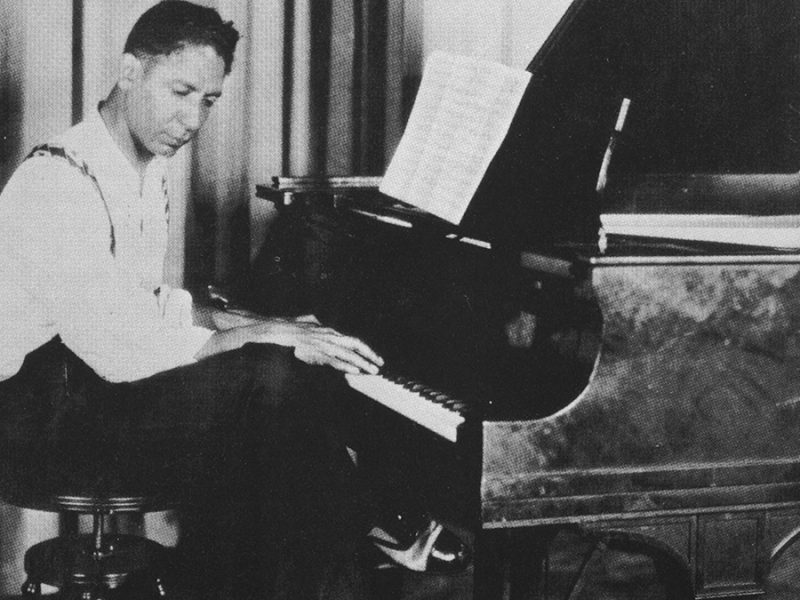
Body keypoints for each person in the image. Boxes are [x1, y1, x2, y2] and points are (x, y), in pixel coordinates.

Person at [0, 2, 387, 599]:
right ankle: (350, 543)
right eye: (180, 91)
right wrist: (265, 336)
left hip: (83, 388)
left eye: (207, 101)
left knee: (285, 386)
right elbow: (117, 350)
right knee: (272, 381)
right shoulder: (56, 181)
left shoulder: (142, 167)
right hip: (30, 418)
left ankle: (281, 567)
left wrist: (264, 321)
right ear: (129, 72)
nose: (191, 119)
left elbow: (144, 306)